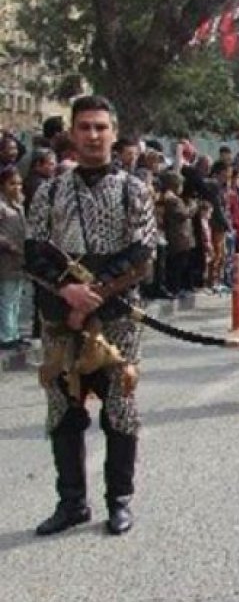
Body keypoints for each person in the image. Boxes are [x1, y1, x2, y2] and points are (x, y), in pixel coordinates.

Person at [25, 95, 159, 536]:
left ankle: (118, 501)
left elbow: (143, 253)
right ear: (72, 133)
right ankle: (71, 503)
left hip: (116, 316)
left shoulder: (133, 189)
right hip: (61, 316)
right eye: (84, 127)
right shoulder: (49, 191)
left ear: (114, 132)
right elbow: (34, 252)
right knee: (62, 410)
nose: (93, 135)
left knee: (120, 407)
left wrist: (96, 294)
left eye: (101, 127)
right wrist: (68, 291)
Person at [0, 167, 27, 350]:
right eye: (12, 184)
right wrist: (9, 245)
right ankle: (6, 336)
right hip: (5, 259)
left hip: (18, 260)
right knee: (7, 298)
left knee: (16, 297)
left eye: (19, 183)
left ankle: (15, 333)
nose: (16, 187)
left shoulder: (17, 204)